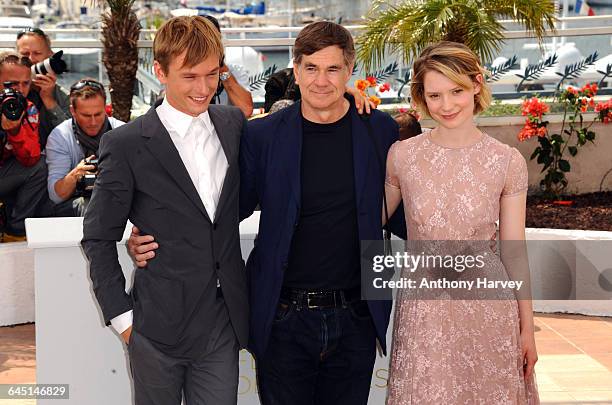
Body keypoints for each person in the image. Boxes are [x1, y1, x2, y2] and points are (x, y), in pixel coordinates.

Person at [128, 21, 406, 405]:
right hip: (283, 317)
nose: (321, 81)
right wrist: (144, 236)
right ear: (295, 68)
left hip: (358, 315)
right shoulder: (263, 135)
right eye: (311, 68)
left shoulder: (379, 129)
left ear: (350, 70)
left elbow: (402, 212)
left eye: (333, 69)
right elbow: (223, 213)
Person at [81, 16, 248, 405]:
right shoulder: (126, 144)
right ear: (160, 71)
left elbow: (235, 205)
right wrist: (124, 321)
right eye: (190, 76)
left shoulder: (233, 124)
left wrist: (348, 100)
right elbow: (98, 236)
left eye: (212, 75)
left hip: (222, 322)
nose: (204, 88)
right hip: (155, 327)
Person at [383, 41, 539, 404]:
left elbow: (514, 254)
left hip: (489, 309)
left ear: (476, 84)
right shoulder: (402, 156)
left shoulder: (507, 161)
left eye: (456, 91)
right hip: (425, 311)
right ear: (422, 97)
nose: (447, 105)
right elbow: (364, 221)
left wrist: (526, 328)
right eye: (434, 95)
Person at [45, 79, 124, 216]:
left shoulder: (122, 132)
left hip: (117, 197)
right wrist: (75, 175)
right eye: (86, 115)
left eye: (98, 114)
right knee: (90, 205)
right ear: (73, 111)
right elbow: (56, 196)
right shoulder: (60, 137)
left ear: (106, 108)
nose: (93, 122)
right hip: (74, 203)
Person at [0, 52, 47, 242]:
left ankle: (16, 229)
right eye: (10, 84)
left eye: (25, 83)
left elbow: (31, 158)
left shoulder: (27, 109)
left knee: (41, 165)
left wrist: (15, 130)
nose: (19, 90)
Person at [16, 27, 71, 148]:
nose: (31, 59)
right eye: (25, 54)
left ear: (50, 55)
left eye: (37, 53)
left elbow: (71, 138)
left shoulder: (64, 96)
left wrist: (49, 101)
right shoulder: (6, 89)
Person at [202, 15, 254, 117]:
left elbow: (246, 110)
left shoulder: (235, 71)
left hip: (225, 129)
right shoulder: (185, 73)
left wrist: (221, 68)